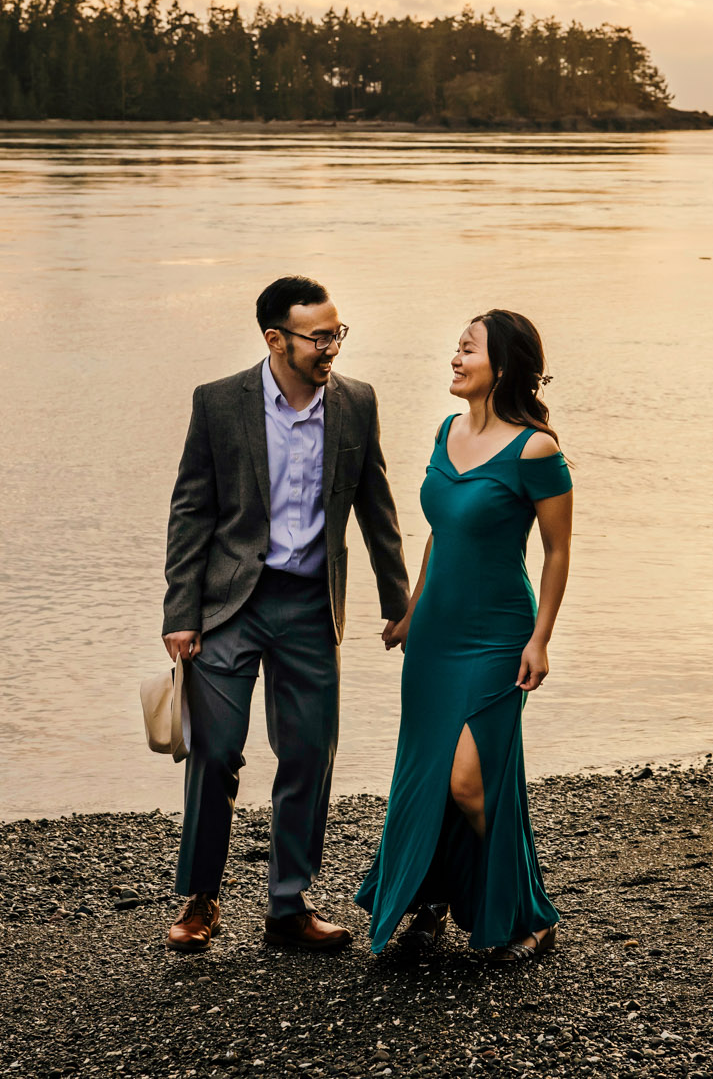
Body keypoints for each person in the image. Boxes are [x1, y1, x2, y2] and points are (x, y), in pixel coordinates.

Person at [159, 276, 410, 953]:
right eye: (318, 336)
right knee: (214, 752)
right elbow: (191, 511)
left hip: (308, 604)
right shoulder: (219, 403)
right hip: (229, 604)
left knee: (308, 752)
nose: (331, 347)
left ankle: (288, 905)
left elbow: (375, 506)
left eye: (337, 333)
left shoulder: (355, 403)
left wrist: (398, 601)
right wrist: (180, 611)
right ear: (277, 340)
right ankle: (201, 899)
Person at [355, 309, 573, 962]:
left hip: (499, 636)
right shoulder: (446, 431)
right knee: (426, 776)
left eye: (468, 350)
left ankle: (529, 913)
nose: (455, 358)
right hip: (436, 640)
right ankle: (431, 903)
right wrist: (412, 612)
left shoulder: (536, 448)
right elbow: (439, 535)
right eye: (455, 347)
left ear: (501, 367)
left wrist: (541, 640)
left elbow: (558, 552)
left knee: (472, 782)